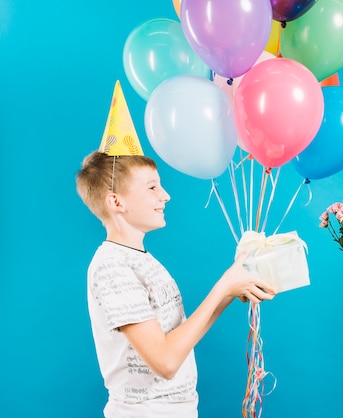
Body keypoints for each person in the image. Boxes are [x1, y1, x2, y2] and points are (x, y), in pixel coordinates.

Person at [76, 81, 276, 417]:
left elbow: (175, 342)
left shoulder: (141, 260)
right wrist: (223, 286)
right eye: (153, 187)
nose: (165, 195)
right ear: (116, 202)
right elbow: (166, 362)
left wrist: (233, 288)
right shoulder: (112, 267)